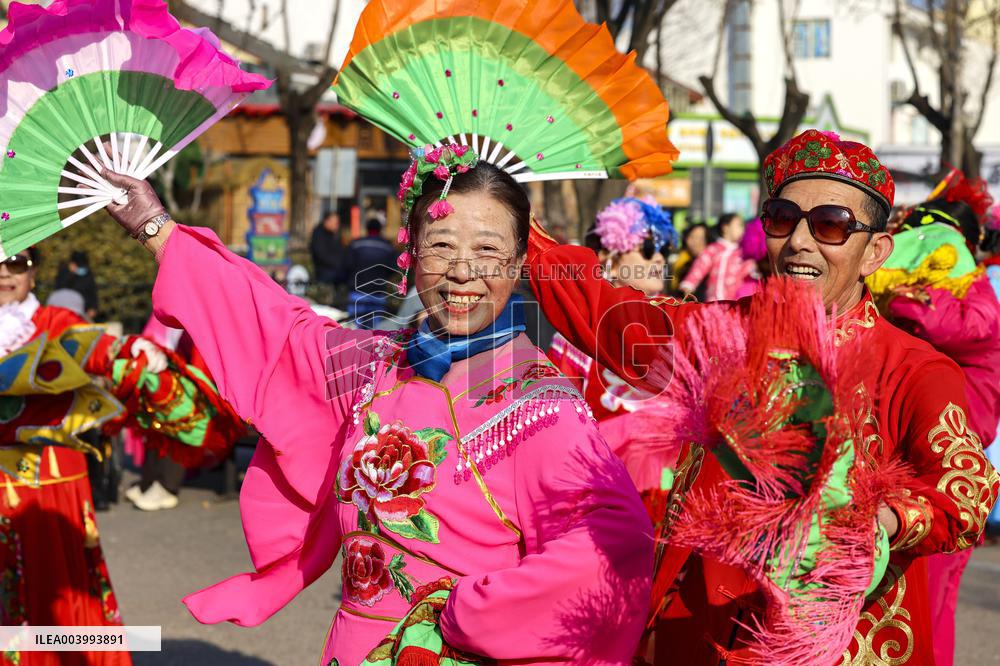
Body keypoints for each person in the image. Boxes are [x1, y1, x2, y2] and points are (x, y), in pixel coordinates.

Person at [99, 146, 653, 664]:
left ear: (517, 263)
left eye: (487, 249)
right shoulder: (372, 365)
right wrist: (156, 228)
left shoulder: (539, 405)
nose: (463, 271)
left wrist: (468, 613)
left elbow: (612, 546)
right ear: (410, 251)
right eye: (441, 245)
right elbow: (274, 326)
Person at [527, 129, 1000, 664]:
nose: (799, 241)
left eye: (830, 225)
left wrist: (879, 523)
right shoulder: (720, 333)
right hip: (700, 630)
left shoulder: (913, 368)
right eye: (782, 218)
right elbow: (607, 317)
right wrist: (514, 226)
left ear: (875, 253)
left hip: (841, 643)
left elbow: (967, 490)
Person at [0, 247, 171, 666]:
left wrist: (130, 351)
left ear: (34, 272)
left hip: (49, 488)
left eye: (17, 263)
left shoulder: (56, 323)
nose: (5, 273)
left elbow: (93, 347)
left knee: (55, 594)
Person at [869, 172, 1000, 666]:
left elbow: (957, 326)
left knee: (926, 601)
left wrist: (903, 294)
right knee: (916, 605)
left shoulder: (975, 292)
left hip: (947, 468)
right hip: (915, 458)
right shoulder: (959, 288)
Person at [548, 198, 677, 489]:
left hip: (673, 488)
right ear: (609, 259)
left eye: (663, 250)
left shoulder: (680, 319)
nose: (659, 259)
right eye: (647, 249)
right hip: (604, 485)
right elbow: (559, 424)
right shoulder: (576, 334)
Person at [678, 212, 753, 301]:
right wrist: (689, 283)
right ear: (725, 228)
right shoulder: (713, 249)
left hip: (736, 302)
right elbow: (700, 266)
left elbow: (750, 271)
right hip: (714, 301)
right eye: (739, 225)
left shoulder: (742, 253)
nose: (742, 229)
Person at [345, 218, 399, 329]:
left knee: (353, 329)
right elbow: (394, 268)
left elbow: (347, 265)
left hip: (357, 292)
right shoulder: (387, 247)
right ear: (380, 230)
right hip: (377, 293)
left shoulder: (356, 244)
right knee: (374, 331)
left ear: (367, 228)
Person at [55, 250, 99, 320]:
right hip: (67, 311)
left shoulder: (88, 274)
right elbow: (60, 290)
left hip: (84, 313)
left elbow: (92, 292)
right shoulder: (64, 273)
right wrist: (71, 273)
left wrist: (93, 308)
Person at [670, 222, 709, 295]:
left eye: (700, 238)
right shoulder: (681, 260)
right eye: (691, 237)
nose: (695, 242)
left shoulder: (713, 263)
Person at [310, 212, 347, 287]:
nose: (337, 225)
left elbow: (341, 251)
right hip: (324, 271)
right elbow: (322, 255)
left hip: (335, 269)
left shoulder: (334, 234)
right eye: (335, 223)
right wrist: (339, 264)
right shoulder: (318, 234)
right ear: (327, 221)